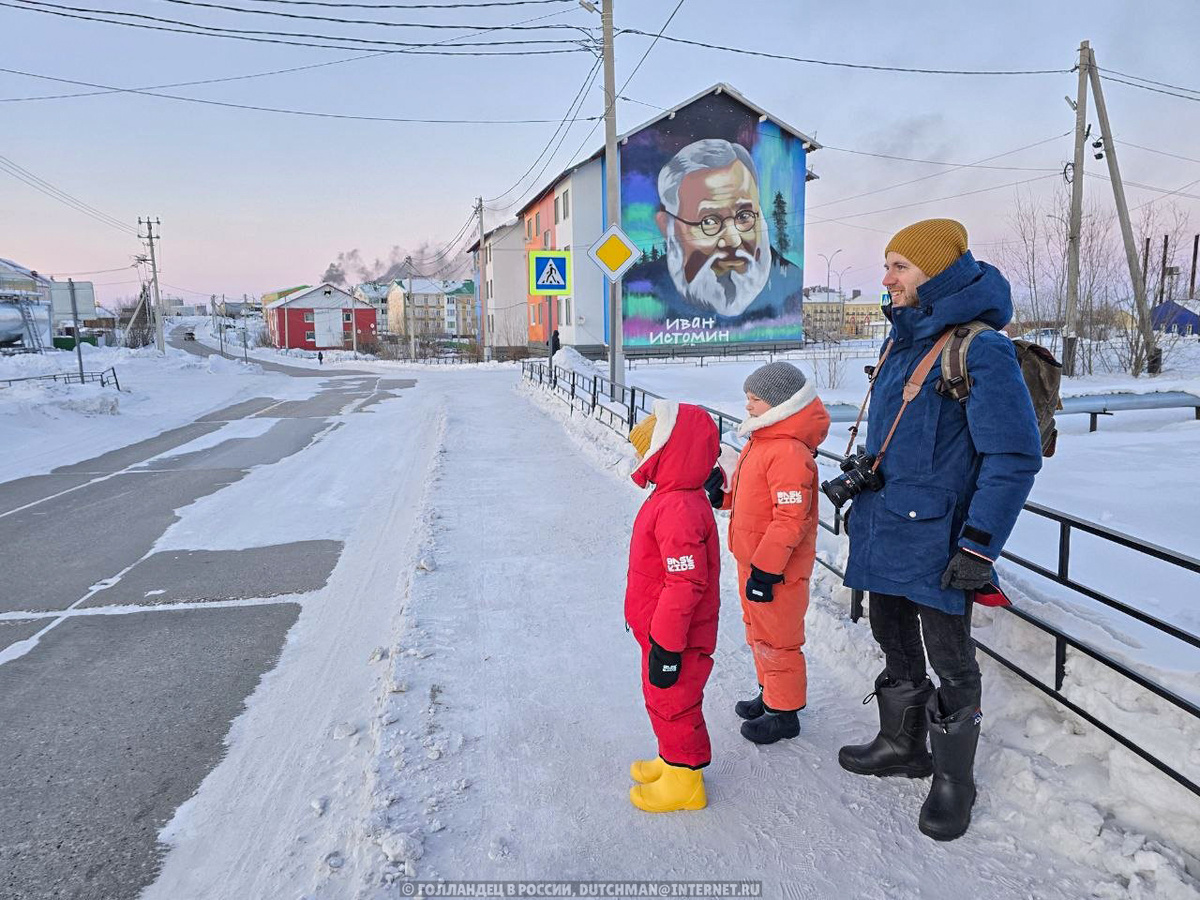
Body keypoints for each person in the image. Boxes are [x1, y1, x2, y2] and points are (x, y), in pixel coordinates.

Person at [838, 219, 1042, 842]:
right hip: (888, 526)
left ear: (937, 272)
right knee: (888, 630)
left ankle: (955, 782)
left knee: (951, 658)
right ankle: (904, 745)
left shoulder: (980, 348)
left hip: (943, 540)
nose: (886, 278)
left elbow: (1013, 456)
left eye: (899, 265)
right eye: (888, 264)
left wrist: (979, 545)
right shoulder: (903, 339)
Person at [706, 362, 830, 744]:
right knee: (758, 633)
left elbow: (791, 518)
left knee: (779, 640)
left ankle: (784, 713)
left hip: (776, 570)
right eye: (747, 398)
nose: (747, 407)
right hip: (754, 561)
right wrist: (722, 493)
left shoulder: (789, 451)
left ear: (780, 404)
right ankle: (770, 694)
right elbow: (751, 497)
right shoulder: (761, 442)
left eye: (755, 400)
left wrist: (766, 569)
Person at [625, 400, 721, 813]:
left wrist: (666, 645)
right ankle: (670, 760)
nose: (639, 458)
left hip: (676, 637)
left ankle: (685, 779)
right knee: (662, 700)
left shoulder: (679, 507)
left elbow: (684, 583)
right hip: (662, 630)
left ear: (665, 453)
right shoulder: (672, 496)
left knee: (675, 702)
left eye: (644, 451)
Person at [624, 139, 803, 323]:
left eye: (744, 216)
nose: (733, 240)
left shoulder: (791, 283)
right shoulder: (639, 291)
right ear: (668, 227)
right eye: (709, 221)